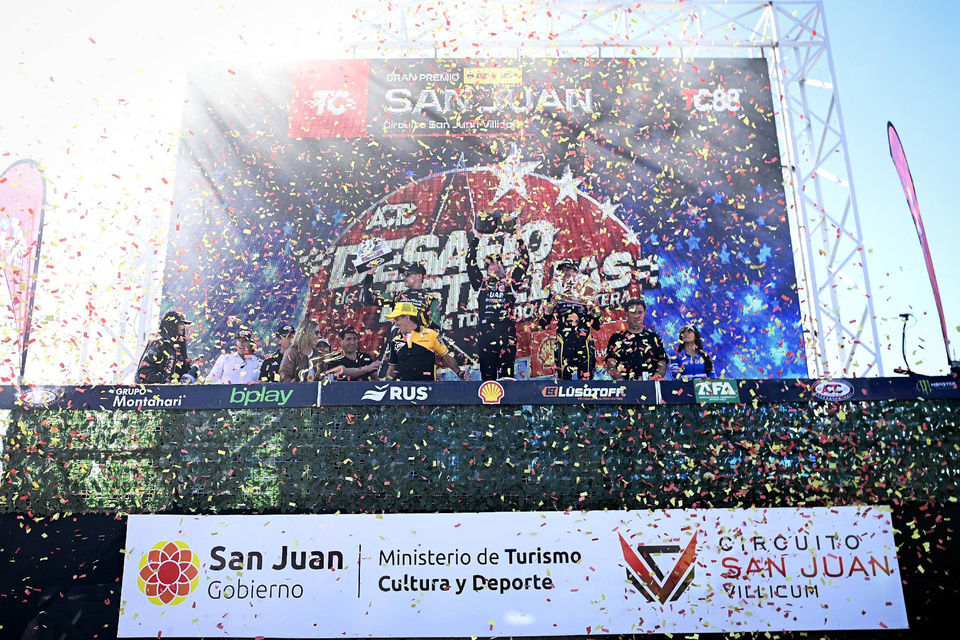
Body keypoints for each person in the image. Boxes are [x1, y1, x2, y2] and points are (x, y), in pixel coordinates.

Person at [467, 228, 530, 380]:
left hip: (506, 331)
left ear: (504, 268)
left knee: (506, 376)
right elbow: (470, 264)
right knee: (487, 377)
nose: (495, 265)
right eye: (491, 264)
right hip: (486, 333)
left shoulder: (511, 284)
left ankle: (508, 396)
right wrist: (476, 238)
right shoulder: (481, 284)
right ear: (487, 270)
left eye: (498, 263)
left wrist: (519, 238)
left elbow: (524, 263)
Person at [537, 260, 602, 380]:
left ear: (576, 272)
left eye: (568, 269)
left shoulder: (587, 291)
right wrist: (551, 306)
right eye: (562, 270)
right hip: (564, 340)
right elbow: (542, 323)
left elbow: (597, 325)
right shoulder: (555, 291)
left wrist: (594, 310)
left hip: (584, 339)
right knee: (563, 378)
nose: (565, 273)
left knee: (586, 379)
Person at [386, 302, 465, 381]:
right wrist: (386, 385)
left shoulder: (431, 334)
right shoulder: (396, 340)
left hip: (427, 386)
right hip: (402, 387)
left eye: (397, 320)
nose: (395, 324)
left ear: (407, 317)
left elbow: (447, 357)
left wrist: (459, 373)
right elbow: (391, 368)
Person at [605, 298, 668, 380]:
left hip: (649, 385)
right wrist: (622, 382)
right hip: (624, 385)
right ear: (626, 314)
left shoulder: (653, 338)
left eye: (639, 313)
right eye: (633, 312)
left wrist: (655, 379)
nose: (636, 316)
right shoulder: (616, 338)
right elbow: (611, 365)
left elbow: (662, 362)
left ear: (644, 314)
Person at [136, 311, 199, 384]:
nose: (183, 327)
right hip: (155, 389)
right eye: (180, 323)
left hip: (172, 390)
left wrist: (192, 368)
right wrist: (164, 382)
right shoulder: (159, 343)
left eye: (183, 324)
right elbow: (144, 370)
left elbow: (179, 374)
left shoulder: (179, 347)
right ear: (172, 325)